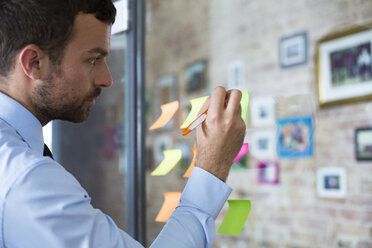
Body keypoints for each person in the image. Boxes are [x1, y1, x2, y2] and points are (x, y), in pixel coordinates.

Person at [0, 0, 246, 247]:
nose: (107, 79)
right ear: (34, 63)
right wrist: (212, 165)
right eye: (94, 59)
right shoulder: (26, 179)